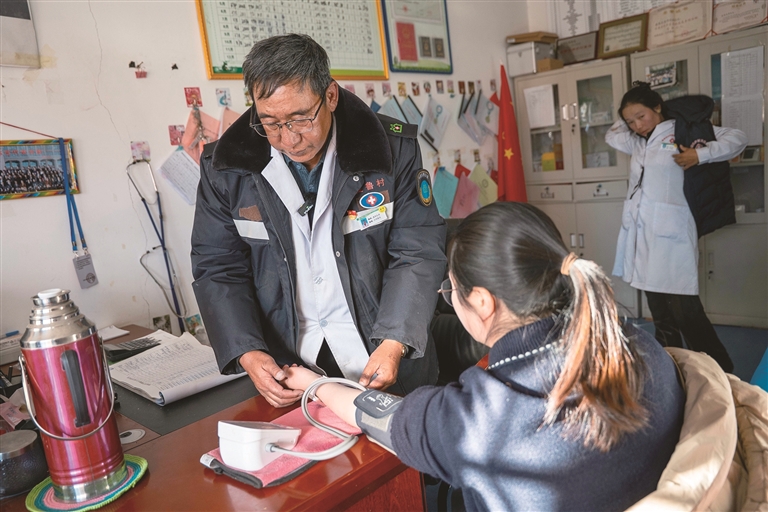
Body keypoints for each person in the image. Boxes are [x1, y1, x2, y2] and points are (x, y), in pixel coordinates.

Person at [282, 202, 686, 511]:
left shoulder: (483, 417)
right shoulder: (635, 342)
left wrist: (315, 384)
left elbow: (378, 416)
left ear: (481, 302)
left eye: (450, 291)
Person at [191, 34, 445, 408]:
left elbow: (417, 251)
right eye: (271, 123)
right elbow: (217, 266)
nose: (289, 139)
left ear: (330, 96)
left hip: (383, 352)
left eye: (300, 119)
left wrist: (395, 341)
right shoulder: (227, 168)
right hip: (289, 369)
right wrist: (247, 351)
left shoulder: (390, 151)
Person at [606, 83, 747, 372]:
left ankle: (722, 371)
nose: (637, 125)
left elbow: (738, 139)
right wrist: (630, 112)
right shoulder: (637, 141)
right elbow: (612, 135)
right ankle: (670, 371)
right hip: (642, 236)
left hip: (671, 235)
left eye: (641, 116)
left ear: (657, 107)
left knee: (687, 312)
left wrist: (700, 155)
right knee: (661, 314)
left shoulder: (683, 131)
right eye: (630, 121)